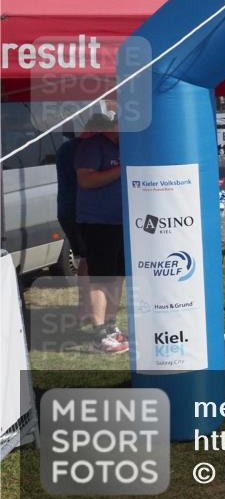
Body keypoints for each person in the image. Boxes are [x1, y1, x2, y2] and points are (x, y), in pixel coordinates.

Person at [74, 114, 127, 353]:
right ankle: (99, 334)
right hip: (97, 222)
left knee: (118, 277)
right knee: (100, 277)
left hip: (121, 221)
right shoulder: (92, 146)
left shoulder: (122, 146)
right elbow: (86, 181)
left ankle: (111, 327)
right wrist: (121, 170)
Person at [56, 131, 89, 323]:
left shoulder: (65, 148)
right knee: (89, 259)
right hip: (79, 210)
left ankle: (84, 305)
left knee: (86, 258)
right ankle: (85, 306)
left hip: (66, 210)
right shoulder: (82, 150)